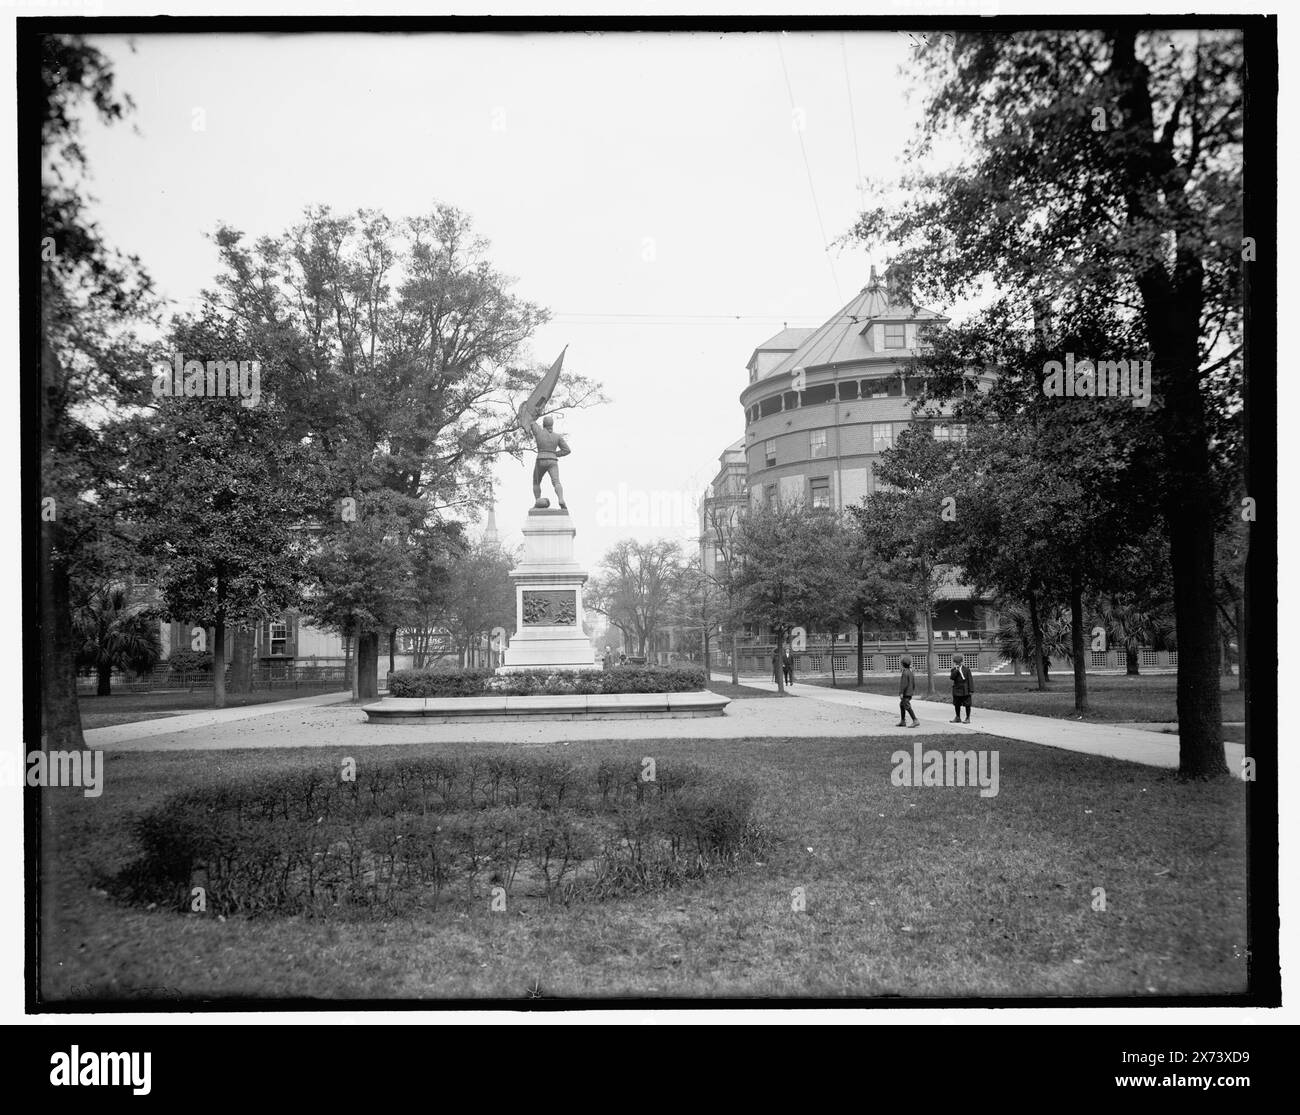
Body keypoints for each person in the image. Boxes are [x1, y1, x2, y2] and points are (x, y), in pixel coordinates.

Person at [896, 653, 919, 728]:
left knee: (907, 706)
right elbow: (914, 683)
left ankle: (915, 720)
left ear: (902, 664)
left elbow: (904, 684)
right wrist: (912, 690)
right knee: (902, 705)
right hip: (909, 692)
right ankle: (903, 721)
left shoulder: (905, 672)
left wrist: (901, 693)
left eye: (901, 664)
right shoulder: (910, 672)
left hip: (906, 692)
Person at [950, 653, 974, 724]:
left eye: (958, 662)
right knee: (957, 704)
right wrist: (957, 670)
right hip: (957, 689)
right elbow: (952, 677)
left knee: (967, 704)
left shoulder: (966, 669)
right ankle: (957, 717)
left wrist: (971, 690)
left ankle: (967, 718)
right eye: (956, 662)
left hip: (965, 689)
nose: (957, 664)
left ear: (961, 662)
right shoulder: (953, 670)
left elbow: (970, 680)